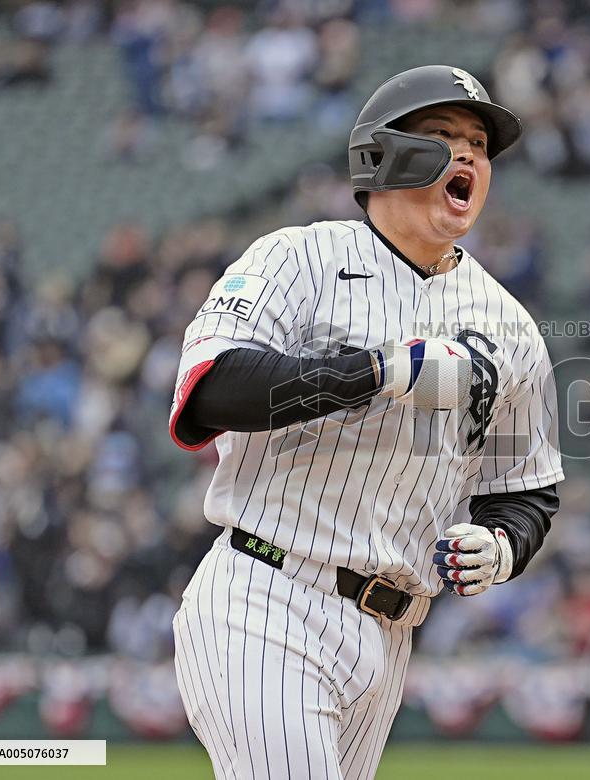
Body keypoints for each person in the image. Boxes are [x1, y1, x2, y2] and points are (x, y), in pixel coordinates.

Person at [168, 65, 564, 780]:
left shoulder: (511, 326)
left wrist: (502, 544)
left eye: (479, 142)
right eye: (442, 136)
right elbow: (211, 390)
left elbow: (527, 488)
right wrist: (378, 370)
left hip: (389, 632)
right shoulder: (298, 258)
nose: (469, 154)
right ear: (382, 156)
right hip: (268, 593)